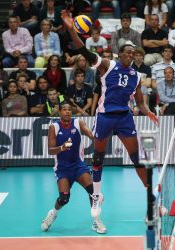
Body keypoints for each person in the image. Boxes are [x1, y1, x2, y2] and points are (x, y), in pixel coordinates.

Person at [61, 10, 159, 219]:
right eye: (128, 53)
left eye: (134, 53)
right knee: (98, 157)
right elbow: (84, 52)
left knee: (137, 159)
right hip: (105, 116)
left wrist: (148, 111)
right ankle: (96, 196)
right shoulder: (108, 65)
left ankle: (151, 199)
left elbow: (140, 101)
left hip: (124, 116)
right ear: (119, 54)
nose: (132, 56)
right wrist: (71, 30)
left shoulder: (136, 76)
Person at [41, 102, 106, 234]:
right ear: (59, 112)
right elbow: (50, 150)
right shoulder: (54, 126)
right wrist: (62, 148)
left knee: (93, 192)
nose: (67, 112)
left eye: (69, 110)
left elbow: (90, 134)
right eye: (64, 109)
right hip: (62, 168)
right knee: (64, 198)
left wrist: (97, 135)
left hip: (78, 166)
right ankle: (52, 214)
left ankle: (96, 220)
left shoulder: (78, 122)